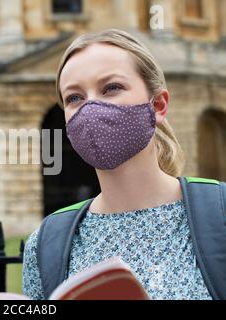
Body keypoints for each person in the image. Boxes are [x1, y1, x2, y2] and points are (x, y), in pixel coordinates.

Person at [22, 29, 216, 300]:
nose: (90, 109)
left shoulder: (220, 215)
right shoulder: (44, 245)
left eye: (111, 88)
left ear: (158, 105)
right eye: (74, 98)